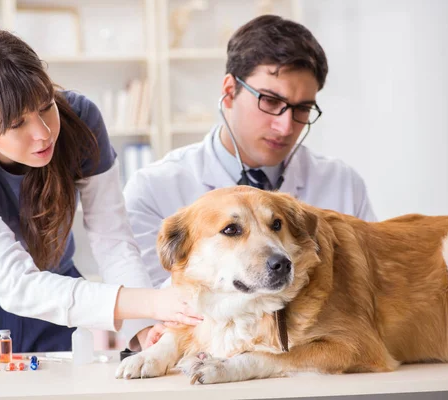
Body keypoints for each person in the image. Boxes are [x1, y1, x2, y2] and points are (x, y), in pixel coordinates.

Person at [0, 30, 200, 400]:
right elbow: (16, 285)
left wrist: (143, 328)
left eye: (45, 105)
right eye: (17, 124)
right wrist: (152, 301)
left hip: (54, 290)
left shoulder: (81, 121)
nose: (43, 133)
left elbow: (112, 238)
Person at [124, 14, 377, 290]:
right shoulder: (152, 190)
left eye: (302, 109)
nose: (285, 126)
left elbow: (369, 290)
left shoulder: (343, 184)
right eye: (270, 101)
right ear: (230, 91)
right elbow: (150, 315)